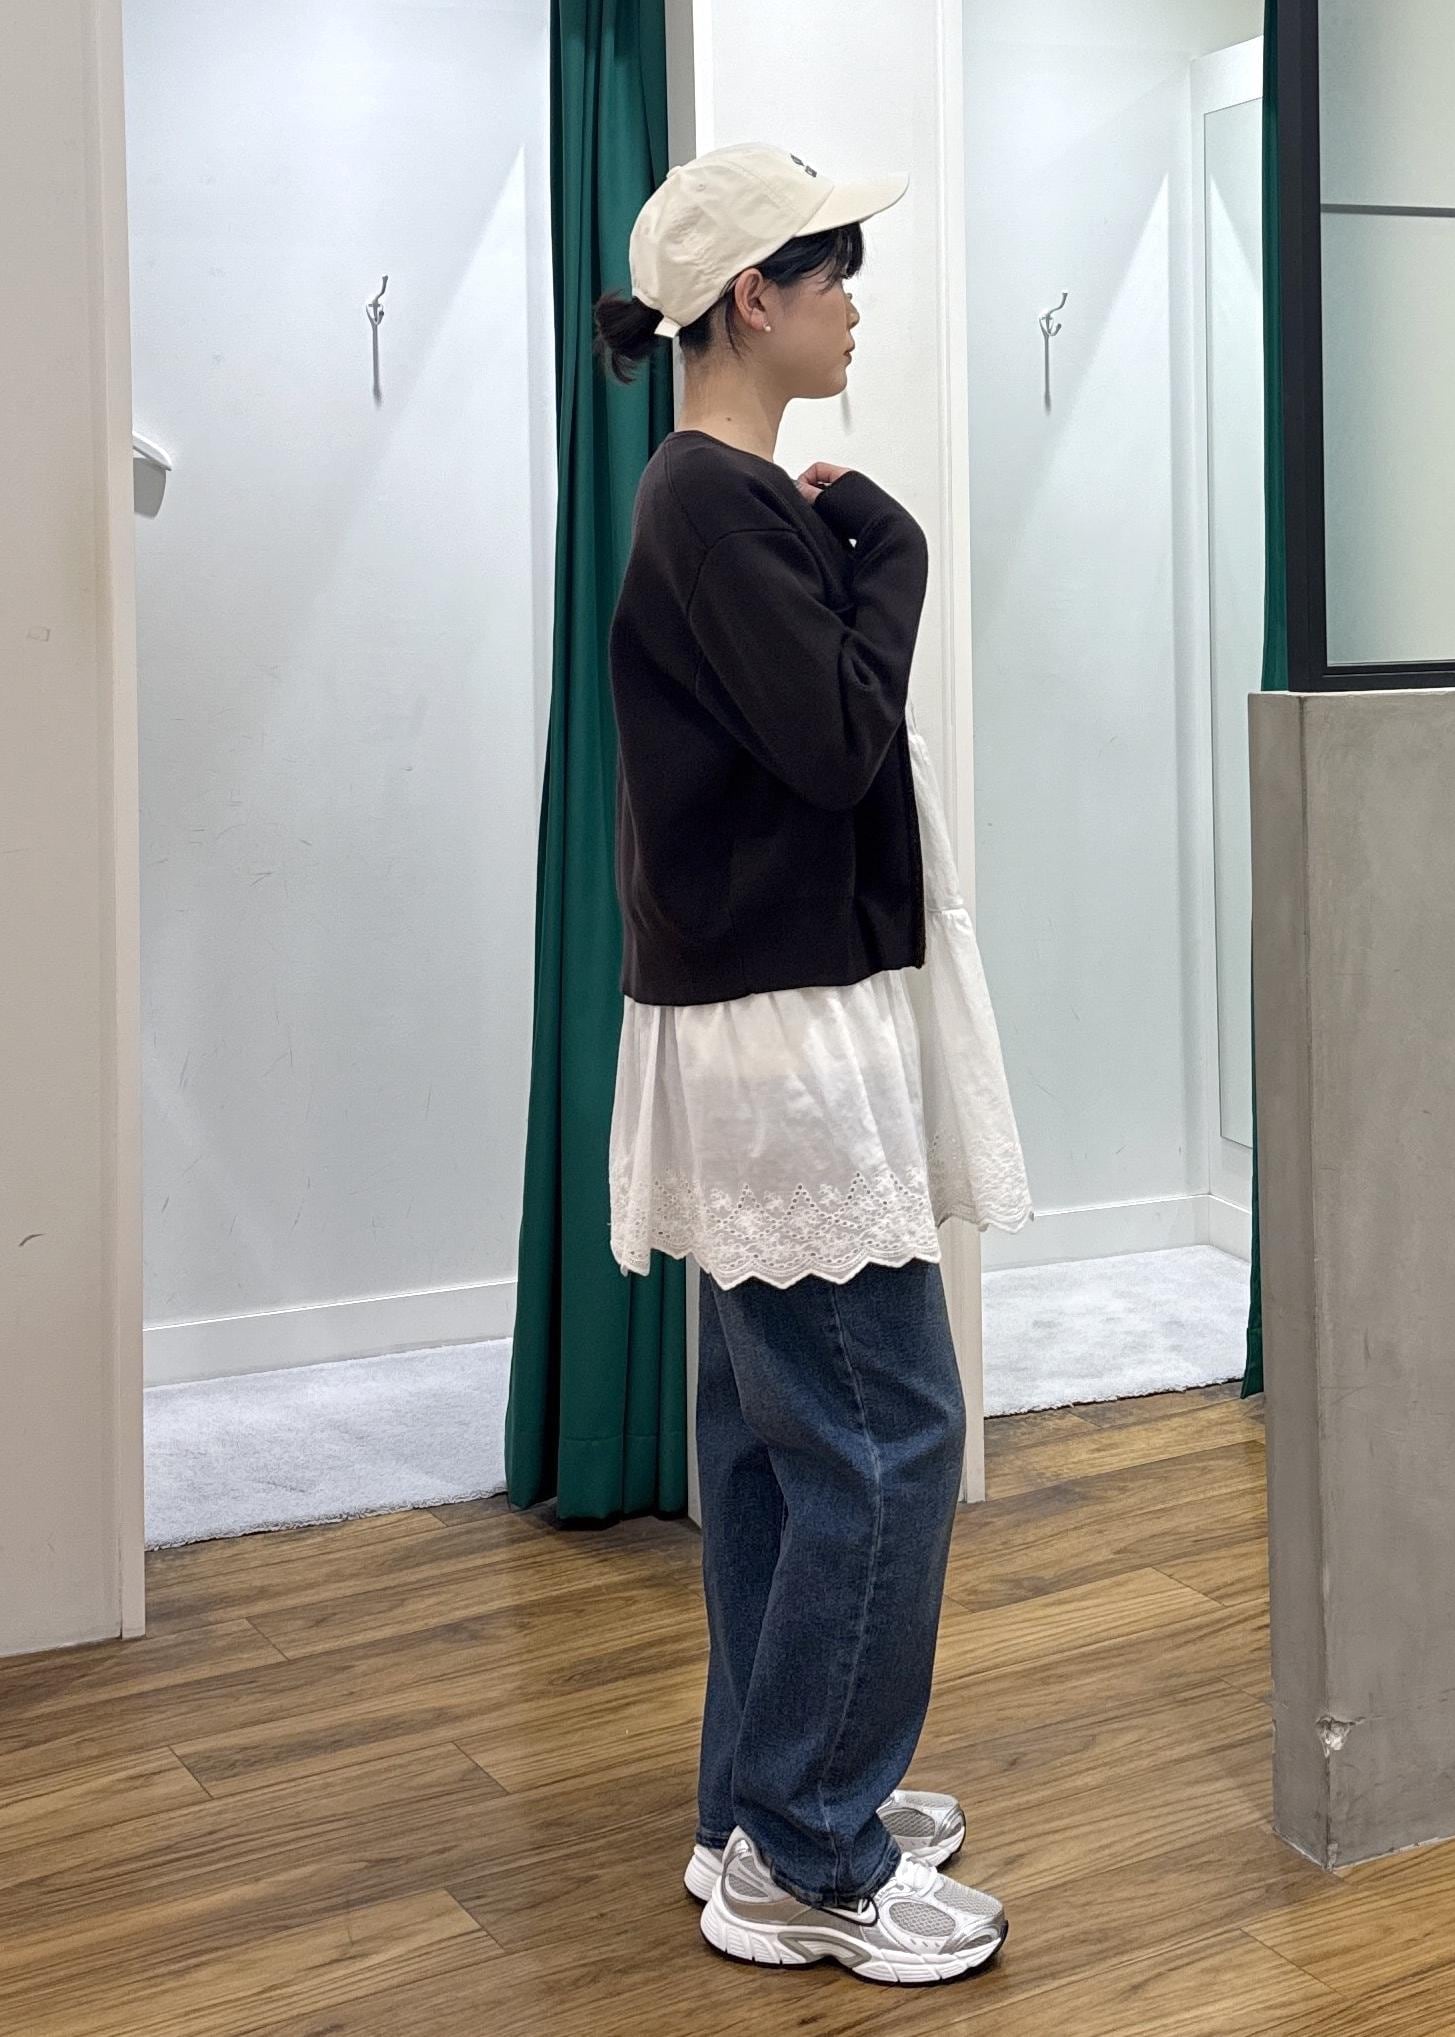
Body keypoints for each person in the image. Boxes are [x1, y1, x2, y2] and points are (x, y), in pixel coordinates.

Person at [592, 142, 1032, 1987]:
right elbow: (842, 744)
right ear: (750, 298)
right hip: (780, 1041)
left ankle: (760, 1805)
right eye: (831, 266)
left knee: (783, 1450)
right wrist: (894, 549)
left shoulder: (712, 498)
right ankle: (812, 1849)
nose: (856, 299)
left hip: (758, 1027)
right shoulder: (722, 505)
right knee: (885, 1433)